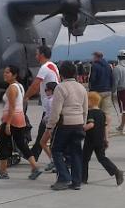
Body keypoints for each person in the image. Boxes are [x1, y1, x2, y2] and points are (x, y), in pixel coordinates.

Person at [0, 65, 42, 180]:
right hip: (20, 119)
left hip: (12, 120)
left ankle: (3, 172)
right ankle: (35, 167)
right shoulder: (20, 86)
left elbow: (12, 107)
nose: (5, 74)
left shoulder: (12, 88)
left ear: (14, 75)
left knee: (3, 145)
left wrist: (7, 123)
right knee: (22, 145)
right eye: (5, 72)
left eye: (8, 72)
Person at [46, 61, 88, 190]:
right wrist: (83, 123)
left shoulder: (60, 87)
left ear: (61, 74)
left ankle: (64, 177)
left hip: (65, 123)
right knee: (76, 152)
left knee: (56, 150)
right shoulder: (81, 87)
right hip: (78, 122)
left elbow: (56, 110)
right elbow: (85, 109)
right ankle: (76, 182)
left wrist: (50, 126)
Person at [24, 45, 60, 162]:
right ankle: (34, 156)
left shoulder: (44, 68)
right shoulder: (53, 65)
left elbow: (35, 85)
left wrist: (25, 97)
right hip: (53, 104)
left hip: (50, 107)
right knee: (44, 135)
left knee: (43, 135)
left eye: (36, 53)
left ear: (42, 55)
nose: (35, 56)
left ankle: (41, 158)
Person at [83, 92, 124, 186]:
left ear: (91, 101)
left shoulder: (90, 113)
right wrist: (106, 139)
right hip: (100, 139)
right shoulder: (102, 113)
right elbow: (105, 127)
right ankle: (116, 171)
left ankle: (83, 178)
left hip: (90, 139)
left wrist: (82, 128)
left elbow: (91, 124)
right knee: (102, 158)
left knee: (84, 159)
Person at [88, 51, 114, 131]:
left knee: (96, 111)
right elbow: (112, 78)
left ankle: (97, 129)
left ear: (96, 57)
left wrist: (91, 88)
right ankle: (107, 130)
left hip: (97, 91)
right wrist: (111, 88)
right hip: (107, 90)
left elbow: (93, 79)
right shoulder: (108, 65)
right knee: (107, 112)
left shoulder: (94, 66)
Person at [39, 81, 58, 172]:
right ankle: (54, 160)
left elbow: (51, 114)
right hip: (50, 125)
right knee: (43, 142)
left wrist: (46, 120)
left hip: (51, 126)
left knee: (50, 145)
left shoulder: (51, 101)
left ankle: (56, 162)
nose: (46, 91)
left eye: (47, 90)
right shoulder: (51, 99)